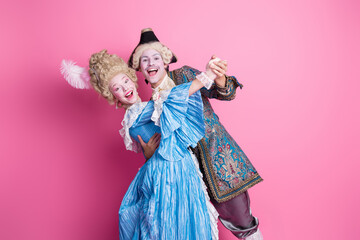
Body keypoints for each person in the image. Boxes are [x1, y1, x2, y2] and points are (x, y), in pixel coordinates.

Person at [128, 28, 263, 240]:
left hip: (218, 162)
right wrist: (148, 153)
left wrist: (218, 77)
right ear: (140, 69)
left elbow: (225, 93)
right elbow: (160, 156)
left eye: (156, 57)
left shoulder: (186, 76)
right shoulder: (149, 108)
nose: (151, 63)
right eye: (145, 60)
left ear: (165, 61)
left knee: (243, 223)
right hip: (184, 180)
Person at [87, 50, 220, 239]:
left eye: (125, 81)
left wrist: (208, 75)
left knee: (184, 219)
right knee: (164, 223)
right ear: (113, 96)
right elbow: (168, 106)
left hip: (179, 166)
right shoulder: (133, 117)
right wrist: (148, 153)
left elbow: (175, 99)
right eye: (117, 88)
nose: (124, 88)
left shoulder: (153, 103)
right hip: (163, 172)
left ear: (132, 79)